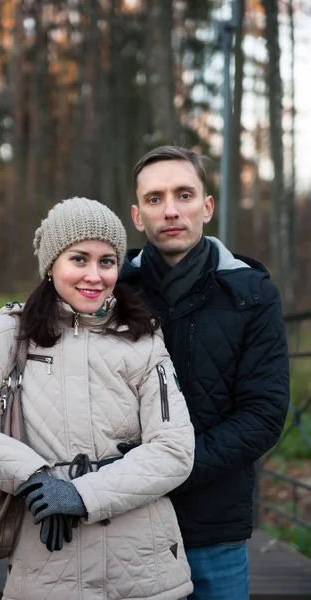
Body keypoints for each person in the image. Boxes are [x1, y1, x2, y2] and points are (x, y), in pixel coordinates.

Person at [0, 197, 195, 600]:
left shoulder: (143, 335)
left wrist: (81, 495)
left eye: (107, 261)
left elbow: (175, 449)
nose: (94, 275)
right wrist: (33, 475)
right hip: (47, 563)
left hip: (144, 566)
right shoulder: (10, 330)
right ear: (51, 264)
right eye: (79, 258)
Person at [120, 146, 290, 600]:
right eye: (155, 199)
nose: (171, 210)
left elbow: (264, 414)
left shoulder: (251, 293)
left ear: (207, 207)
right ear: (138, 216)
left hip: (213, 531)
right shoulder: (110, 289)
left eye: (184, 194)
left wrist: (167, 469)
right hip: (121, 524)